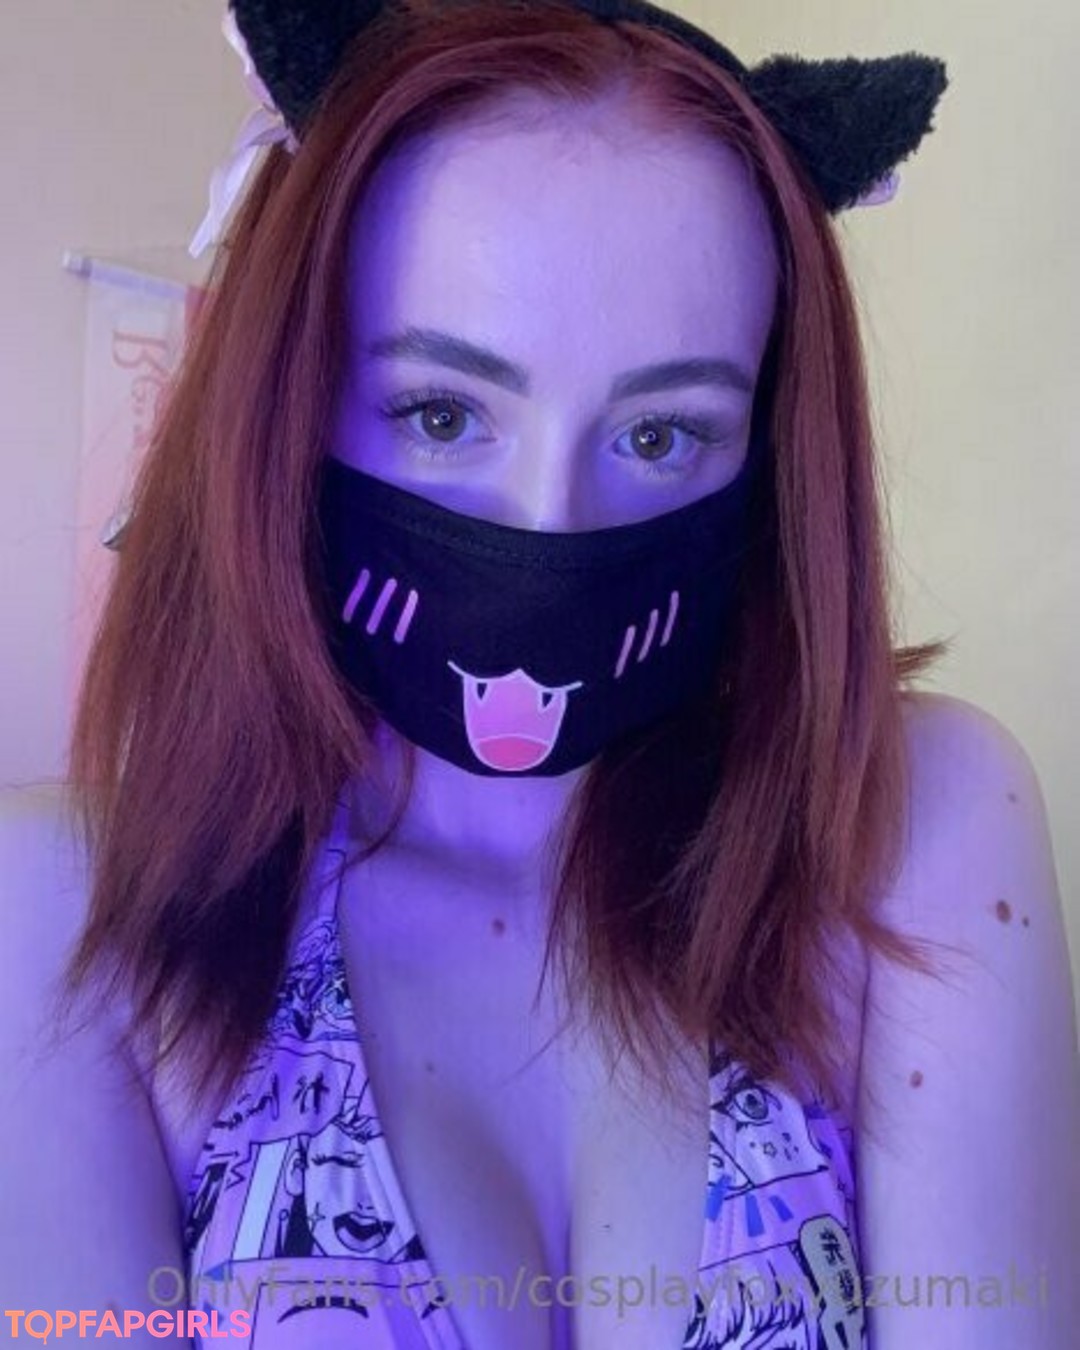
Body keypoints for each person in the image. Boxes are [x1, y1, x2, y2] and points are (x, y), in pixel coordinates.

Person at [3, 2, 1077, 1348]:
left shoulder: (911, 828)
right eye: (442, 413)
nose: (549, 533)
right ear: (288, 402)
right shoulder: (70, 920)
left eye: (661, 434)